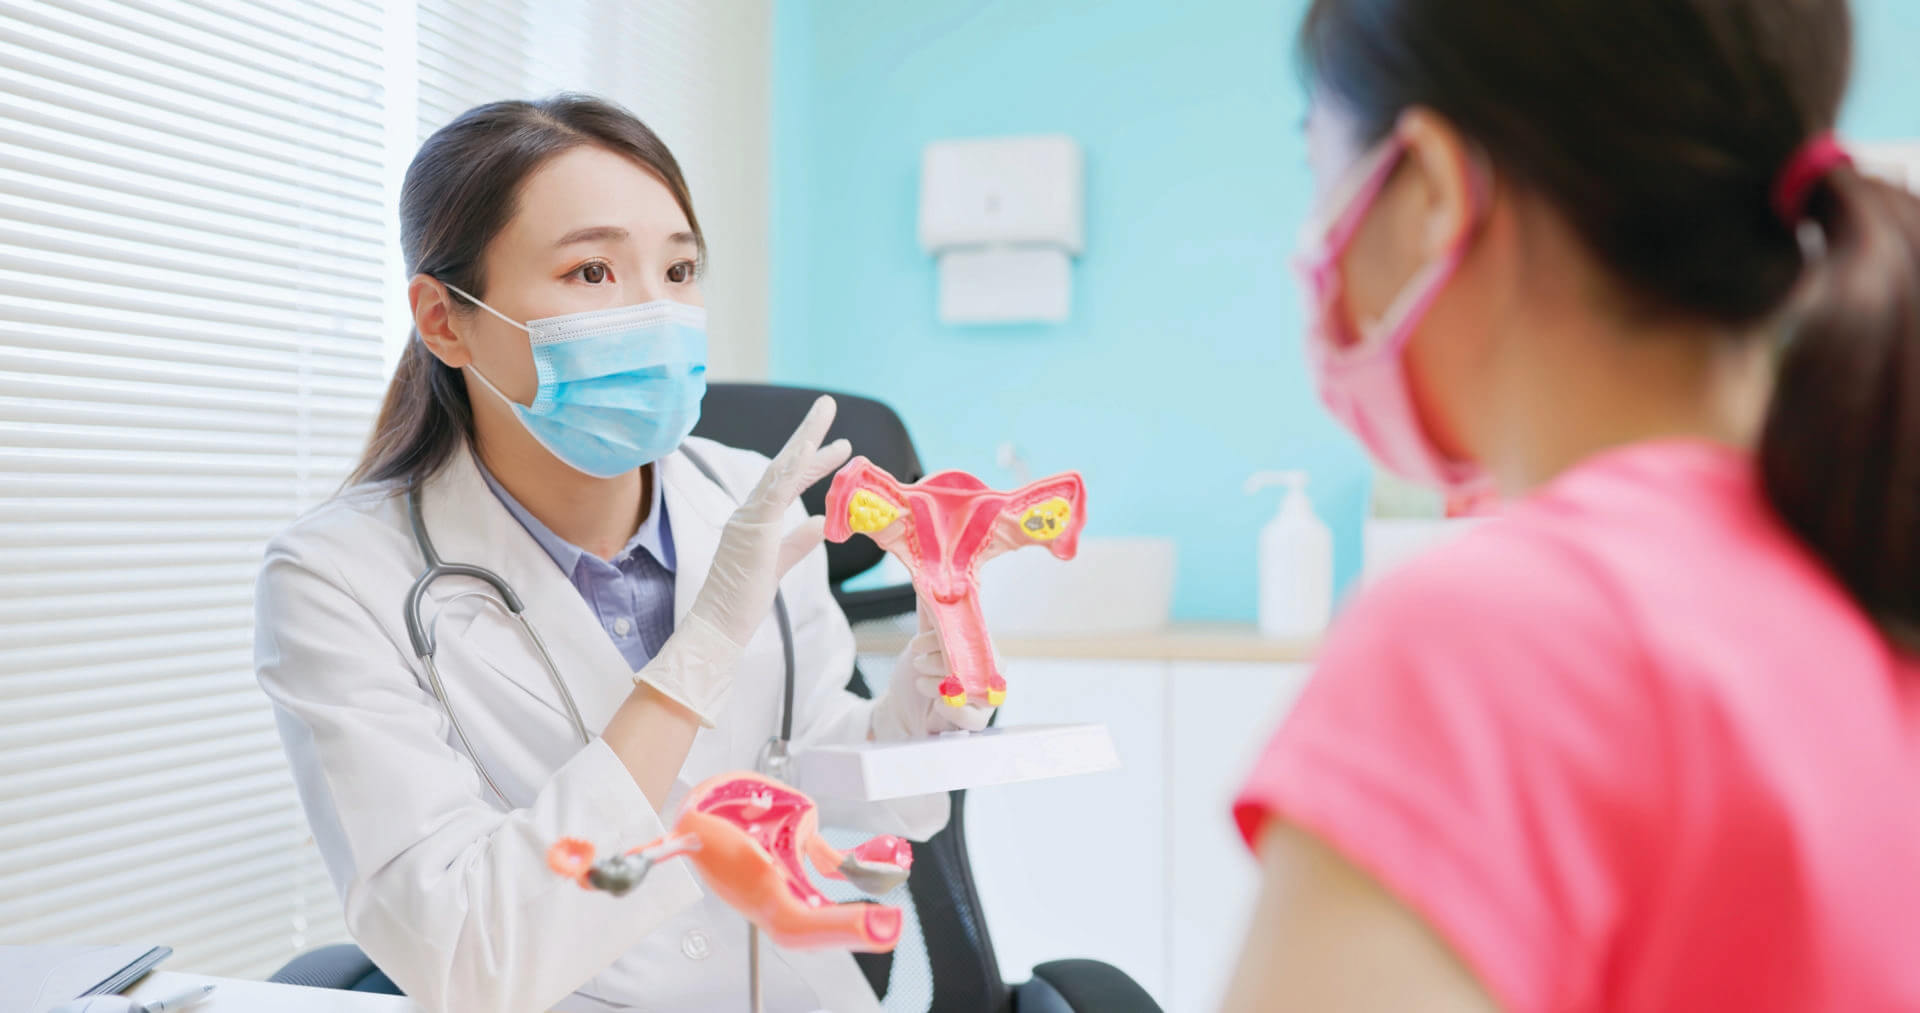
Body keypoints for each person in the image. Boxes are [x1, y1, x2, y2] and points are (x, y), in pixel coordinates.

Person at [1223, 1, 1919, 1009]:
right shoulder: (1869, 556)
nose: (1318, 240)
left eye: (1318, 173)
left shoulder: (1495, 641)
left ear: (1424, 190)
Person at [253, 95, 991, 1013]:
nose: (656, 311)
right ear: (445, 319)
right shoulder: (339, 578)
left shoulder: (746, 492)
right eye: (593, 270)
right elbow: (464, 957)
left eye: (679, 268)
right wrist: (706, 643)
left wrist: (915, 722)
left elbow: (816, 779)